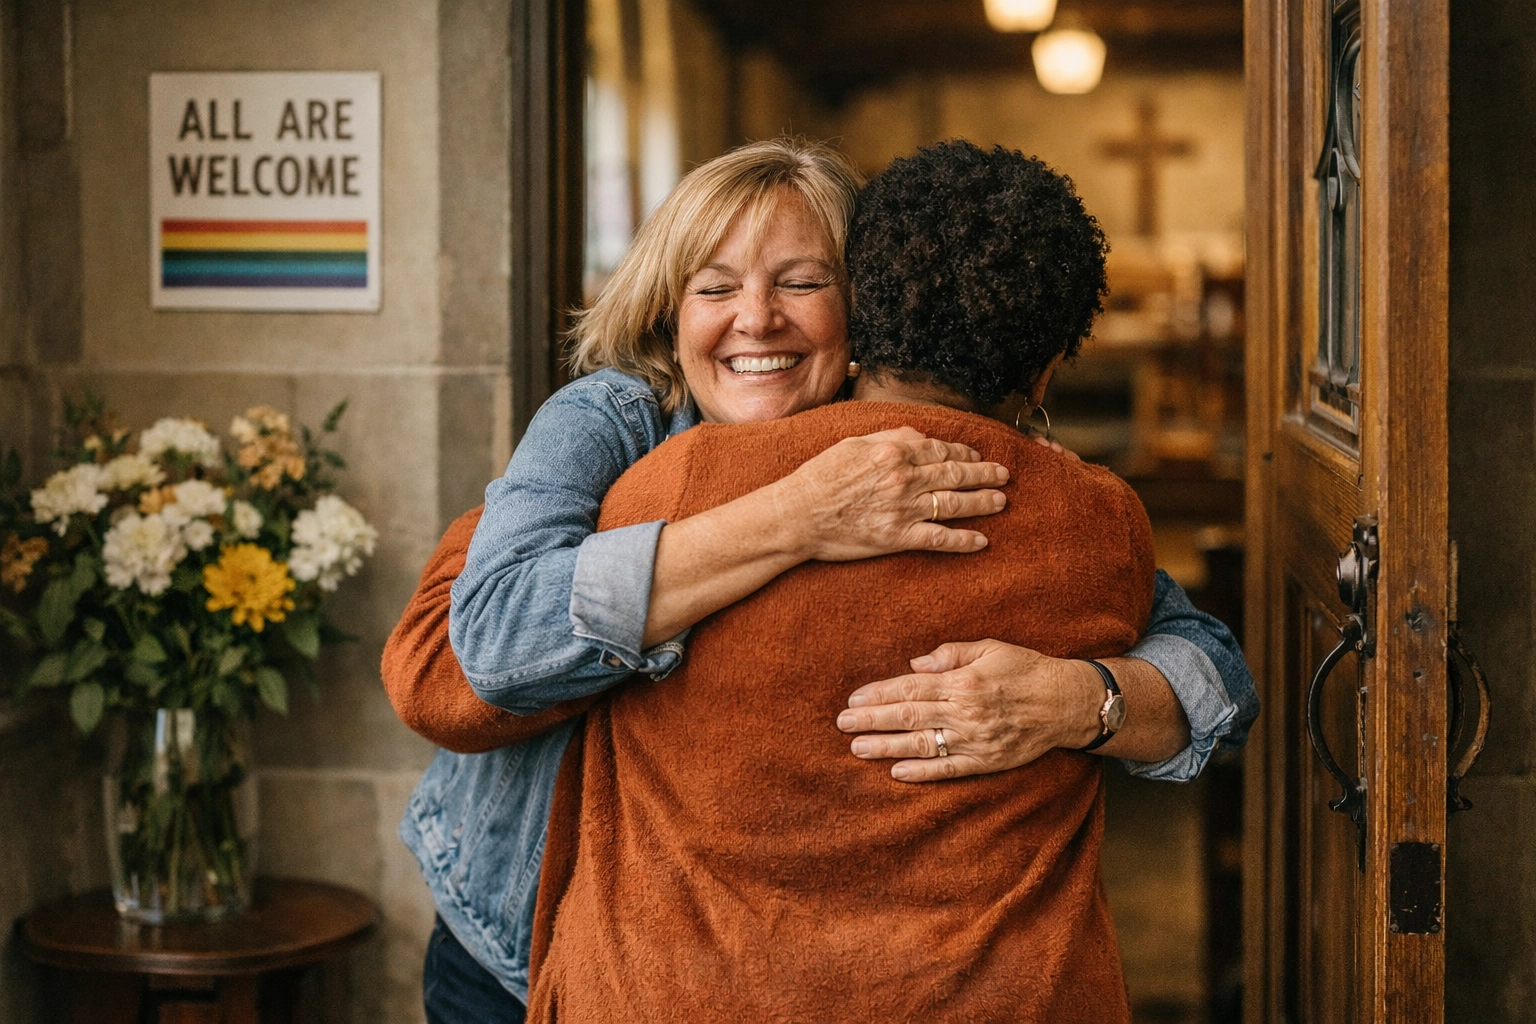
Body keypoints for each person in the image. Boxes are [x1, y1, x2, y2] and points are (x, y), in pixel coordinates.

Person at [384, 139, 1257, 1024]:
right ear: (669, 308)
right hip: (506, 915)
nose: (756, 319)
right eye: (715, 287)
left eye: (800, 283)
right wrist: (794, 517)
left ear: (865, 307)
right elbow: (474, 653)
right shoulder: (620, 427)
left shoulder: (941, 465)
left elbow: (1208, 665)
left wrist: (1078, 699)